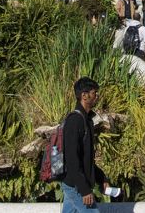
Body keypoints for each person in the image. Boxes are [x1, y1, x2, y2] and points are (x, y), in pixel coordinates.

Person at [61, 77, 109, 213]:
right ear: (84, 95)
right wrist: (84, 190)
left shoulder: (87, 120)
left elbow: (87, 158)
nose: (97, 96)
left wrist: (101, 178)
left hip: (75, 183)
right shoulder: (74, 121)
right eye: (94, 93)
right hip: (75, 186)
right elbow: (72, 159)